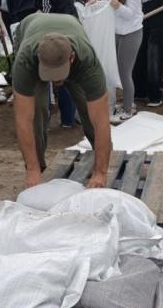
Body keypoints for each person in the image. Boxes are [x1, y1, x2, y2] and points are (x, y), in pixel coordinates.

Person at [11, 13, 112, 188]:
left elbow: (101, 122)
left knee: (86, 110)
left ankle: (101, 165)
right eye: (49, 73)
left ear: (71, 58)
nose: (54, 80)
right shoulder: (26, 59)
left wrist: (100, 174)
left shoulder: (87, 60)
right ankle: (37, 168)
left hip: (71, 25)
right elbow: (23, 121)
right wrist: (32, 170)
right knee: (38, 111)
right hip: (30, 27)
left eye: (58, 73)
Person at [32, 0, 80, 128]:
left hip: (55, 32)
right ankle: (69, 118)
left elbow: (46, 6)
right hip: (71, 27)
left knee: (44, 73)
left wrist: (42, 27)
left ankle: (43, 121)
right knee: (67, 75)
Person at [104, 0, 144, 122]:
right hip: (114, 30)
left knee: (124, 72)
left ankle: (128, 109)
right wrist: (98, 3)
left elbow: (131, 14)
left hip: (131, 31)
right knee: (113, 69)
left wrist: (118, 6)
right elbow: (107, 2)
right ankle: (124, 104)